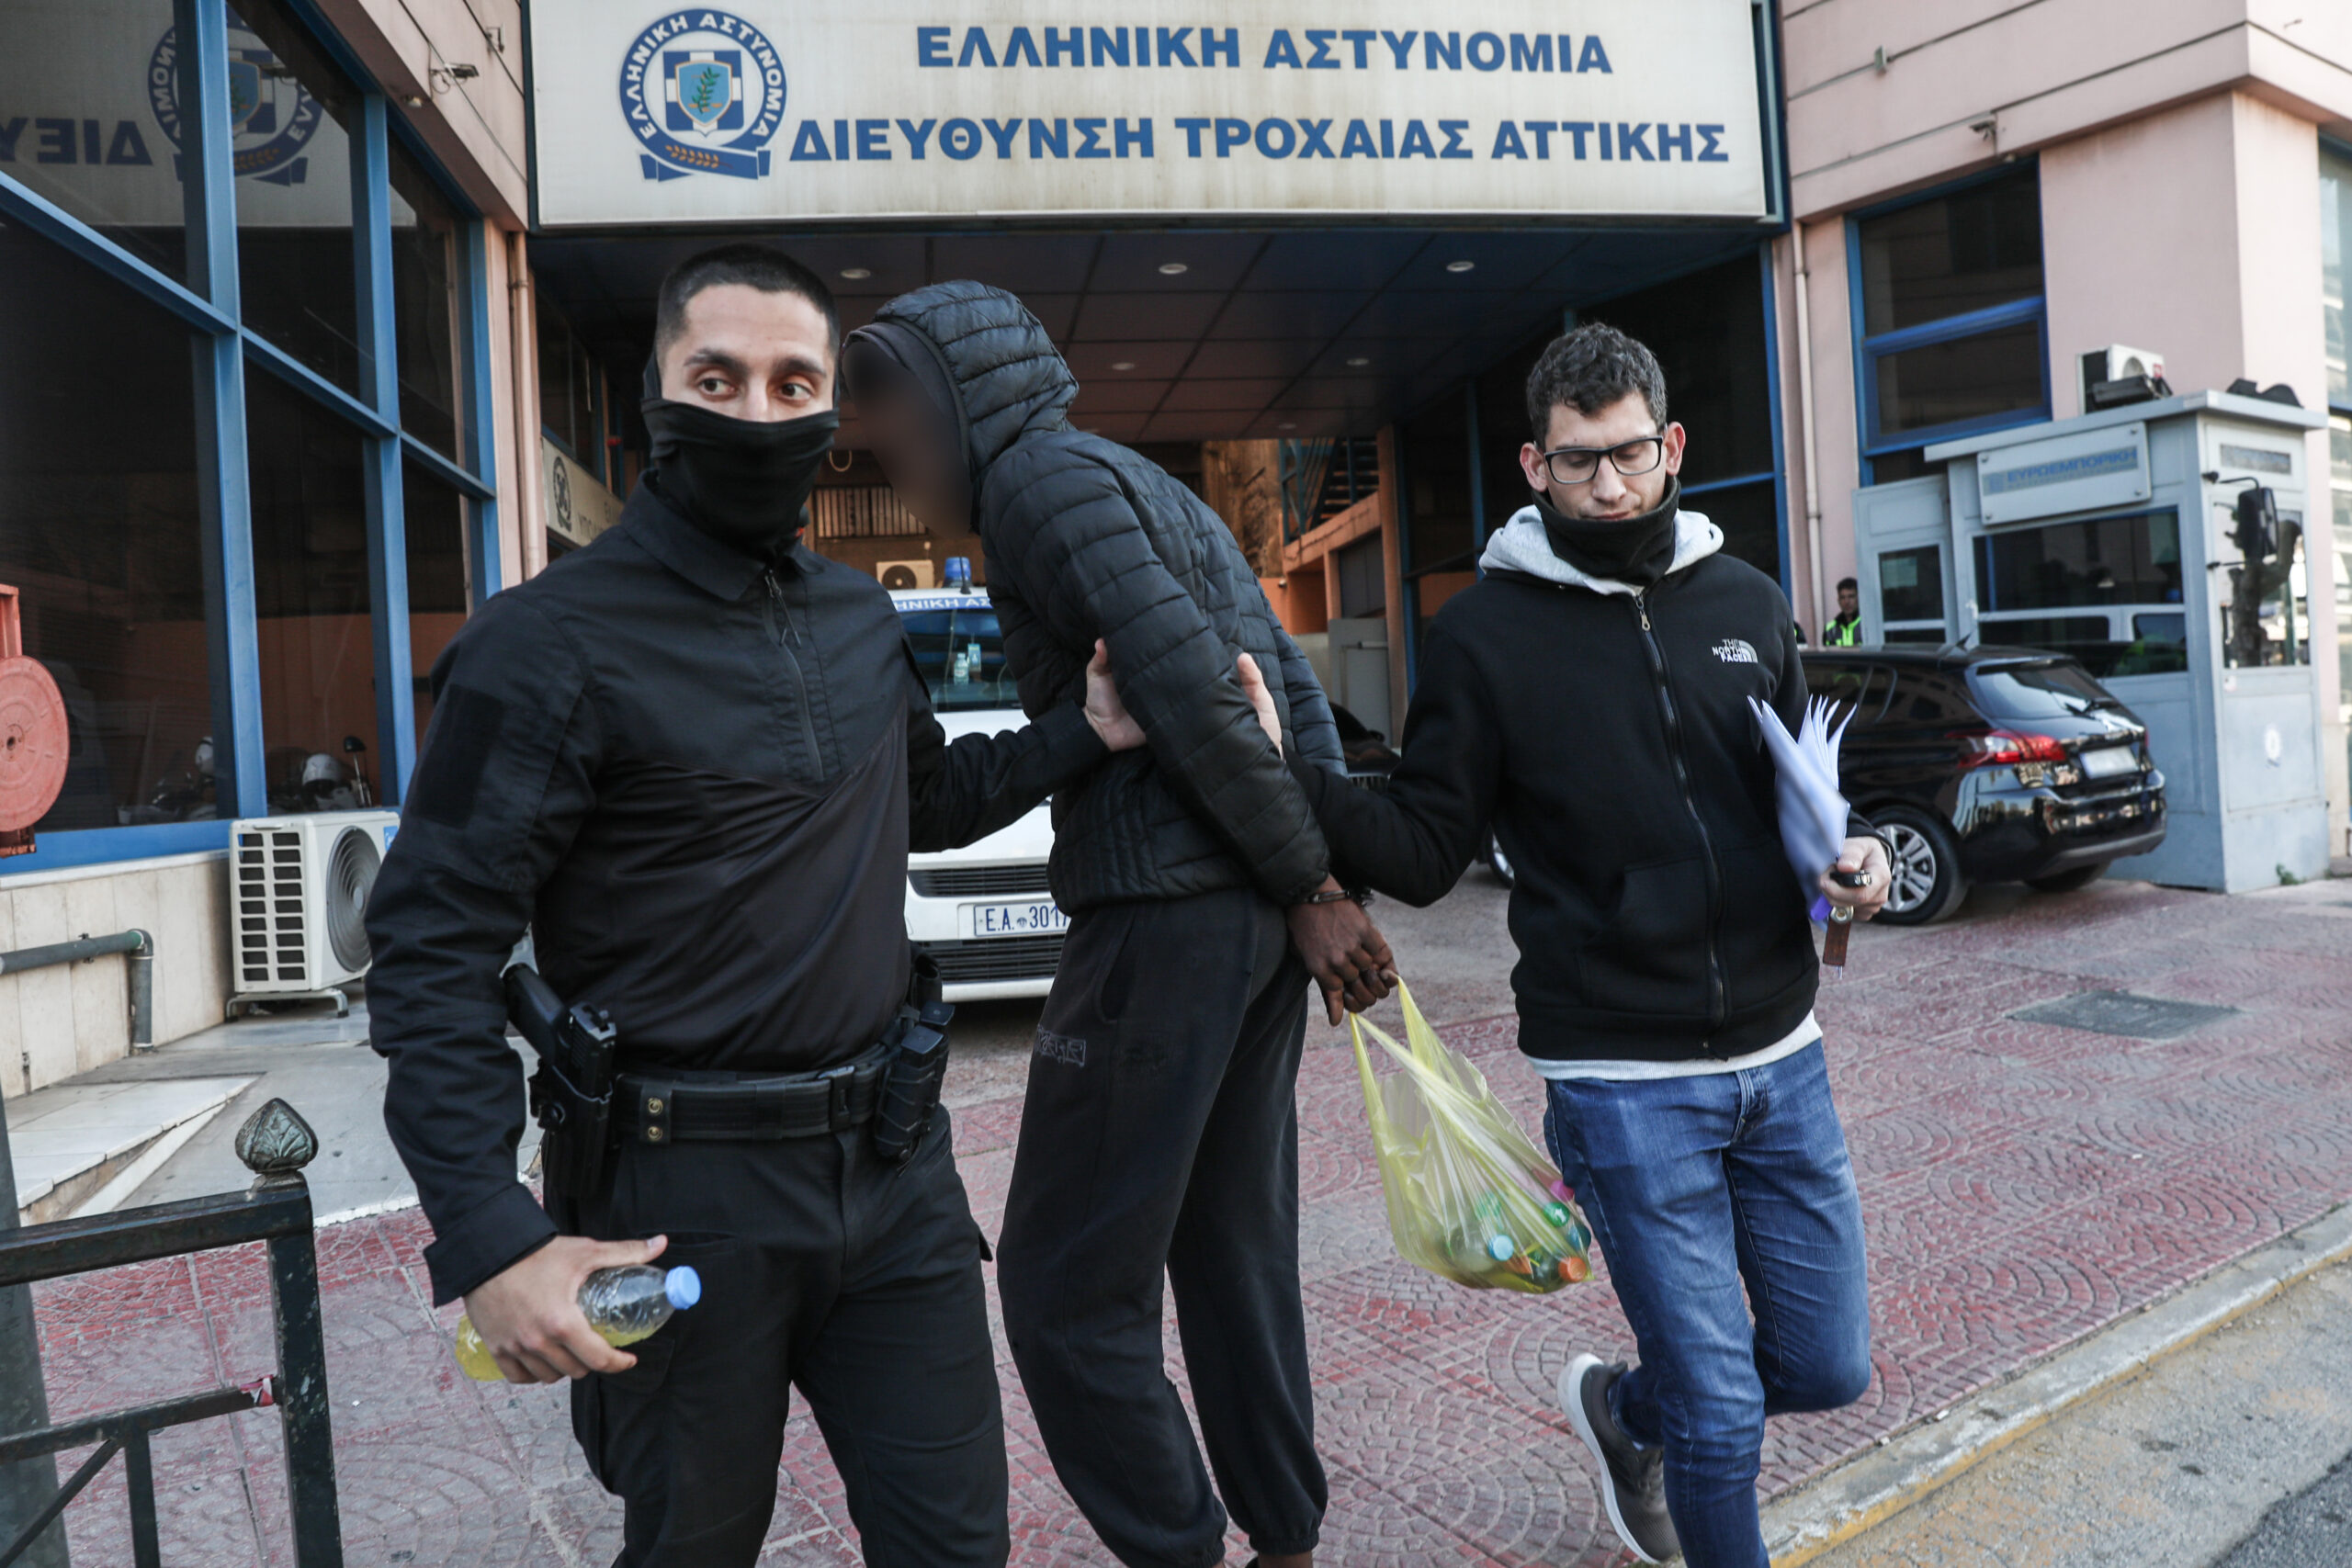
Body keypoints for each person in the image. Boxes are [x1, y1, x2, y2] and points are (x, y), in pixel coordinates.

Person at [367, 245, 1152, 1568]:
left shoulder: (859, 619)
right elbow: (429, 948)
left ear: (828, 412)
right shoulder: (543, 641)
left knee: (960, 1546)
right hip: (676, 1199)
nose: (754, 408)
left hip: (896, 1175)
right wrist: (492, 1236)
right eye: (715, 376)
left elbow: (927, 799)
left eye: (792, 383)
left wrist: (1086, 728)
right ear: (656, 397)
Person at [1265, 324, 1892, 1568]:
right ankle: (1677, 1422)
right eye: (1577, 461)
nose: (1608, 486)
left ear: (1671, 446)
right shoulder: (1484, 636)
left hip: (1783, 1055)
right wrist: (1285, 766)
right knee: (1722, 1410)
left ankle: (1624, 1409)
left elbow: (1807, 798)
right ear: (1533, 466)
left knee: (1826, 1365)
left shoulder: (1747, 601)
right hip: (1619, 1077)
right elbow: (1422, 847)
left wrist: (1857, 854)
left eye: (1628, 454)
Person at [844, 281, 1393, 1568]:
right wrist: (1312, 876)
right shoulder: (1129, 478)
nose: (885, 460)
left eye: (892, 425)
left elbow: (1195, 688)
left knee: (1060, 1290)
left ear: (954, 400)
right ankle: (1286, 1538)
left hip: (1161, 924)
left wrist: (1316, 887)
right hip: (1238, 926)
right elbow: (1281, 676)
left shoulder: (1037, 486)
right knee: (1234, 1253)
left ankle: (1179, 1545)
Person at [1824, 576, 1862, 645]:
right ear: (1838, 601)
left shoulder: (1867, 626)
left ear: (1859, 598)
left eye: (1851, 596)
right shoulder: (1830, 629)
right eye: (1842, 598)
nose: (1847, 602)